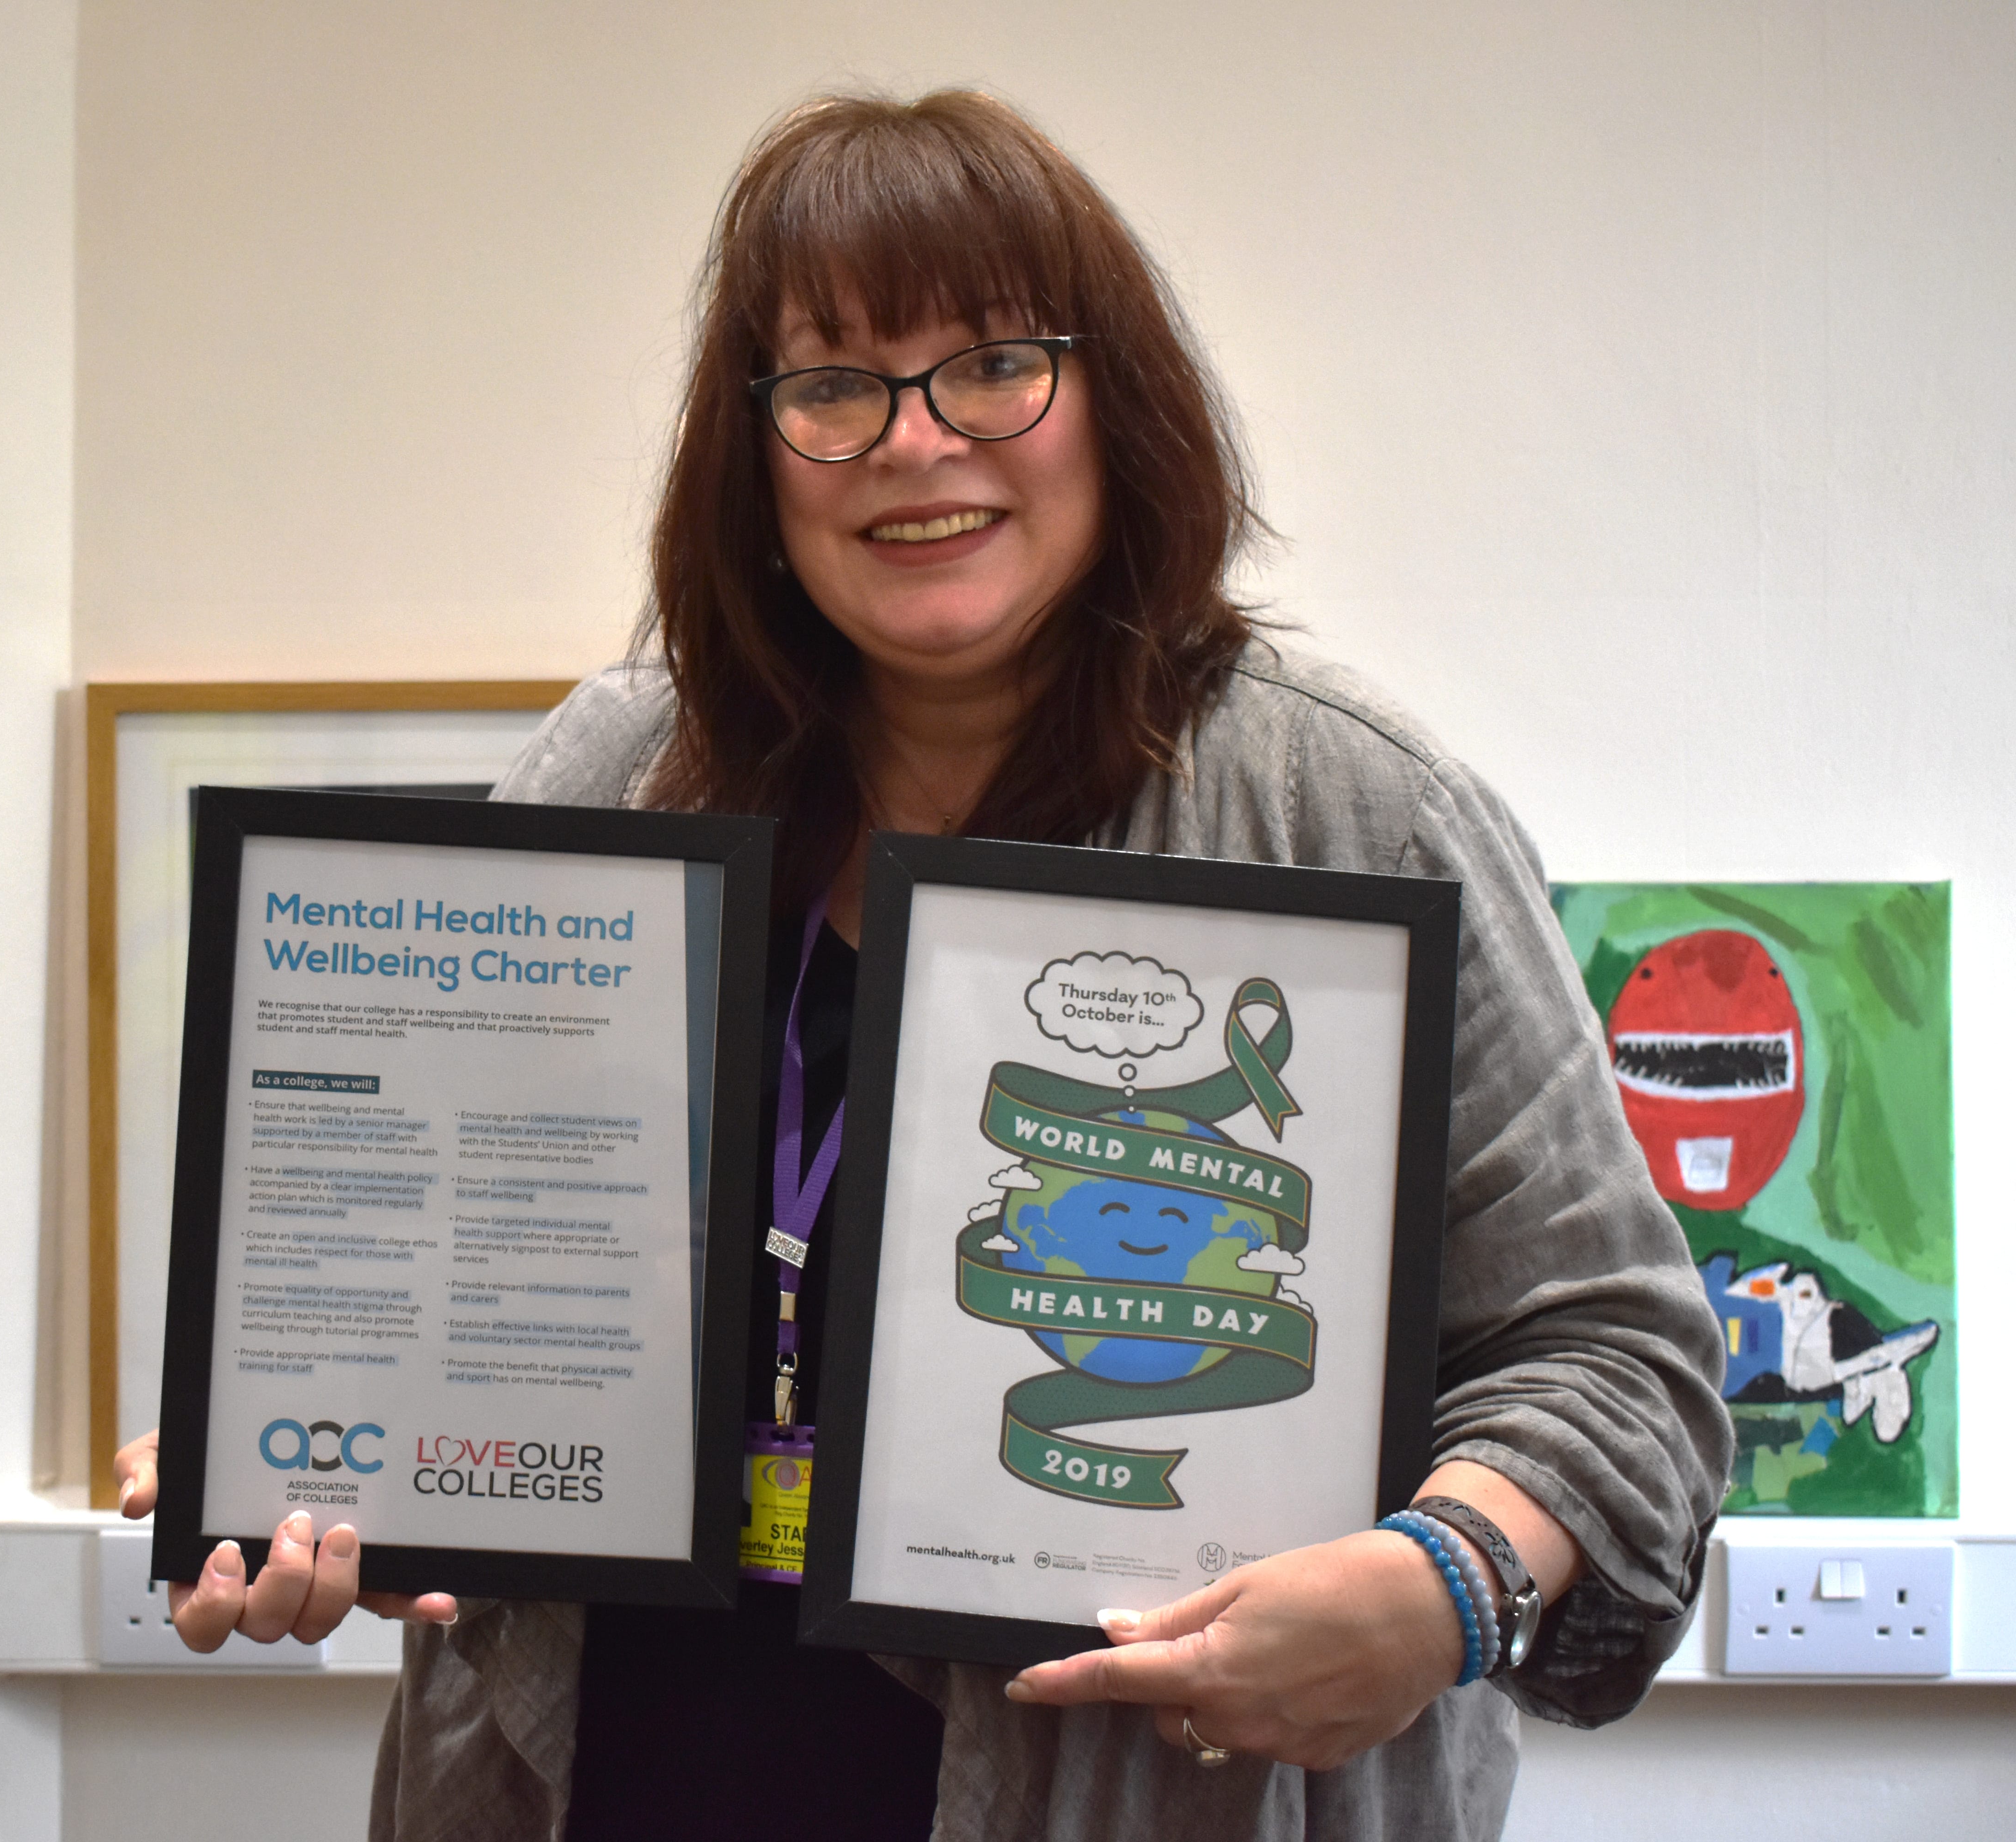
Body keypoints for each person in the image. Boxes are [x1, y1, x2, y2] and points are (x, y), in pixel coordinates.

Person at [116, 88, 1730, 1839]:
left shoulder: (1349, 806)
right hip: (608, 1782)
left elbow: (1615, 1352)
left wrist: (1451, 1583)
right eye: (833, 386)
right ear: (755, 450)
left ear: (1118, 403)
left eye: (992, 365)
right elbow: (438, 1282)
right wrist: (289, 1459)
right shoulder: (615, 773)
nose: (915, 442)